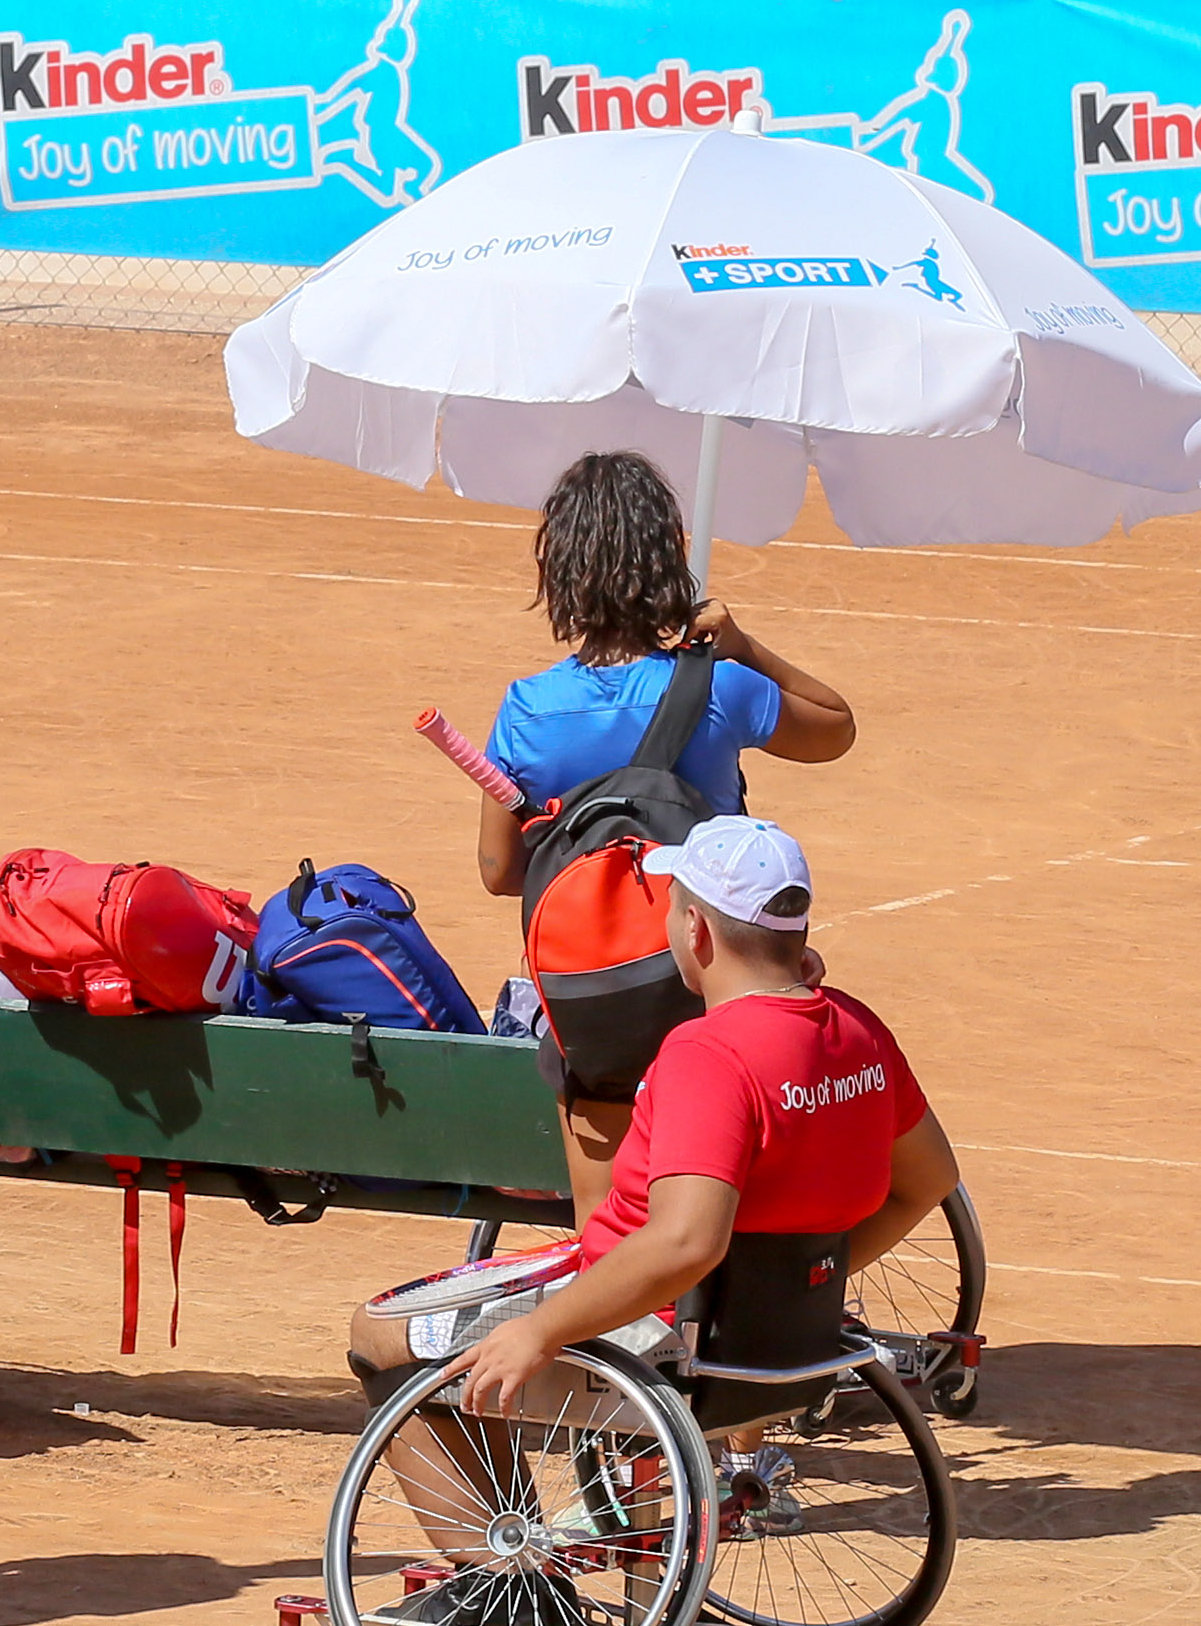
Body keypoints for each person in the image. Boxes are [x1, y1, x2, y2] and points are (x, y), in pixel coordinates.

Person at [346, 818, 963, 1566]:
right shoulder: (857, 1031)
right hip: (771, 1342)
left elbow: (684, 1241)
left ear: (696, 929)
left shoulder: (708, 1055)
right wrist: (791, 1288)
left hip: (659, 1340)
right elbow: (927, 1179)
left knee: (382, 1335)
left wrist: (538, 1333)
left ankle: (510, 1590)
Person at [477, 450, 856, 1218]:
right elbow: (834, 729)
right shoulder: (719, 685)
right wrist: (743, 646)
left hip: (594, 986)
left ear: (562, 571)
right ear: (670, 555)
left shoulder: (526, 710)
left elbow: (498, 871)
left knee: (604, 1220)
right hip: (713, 973)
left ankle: (612, 1320)